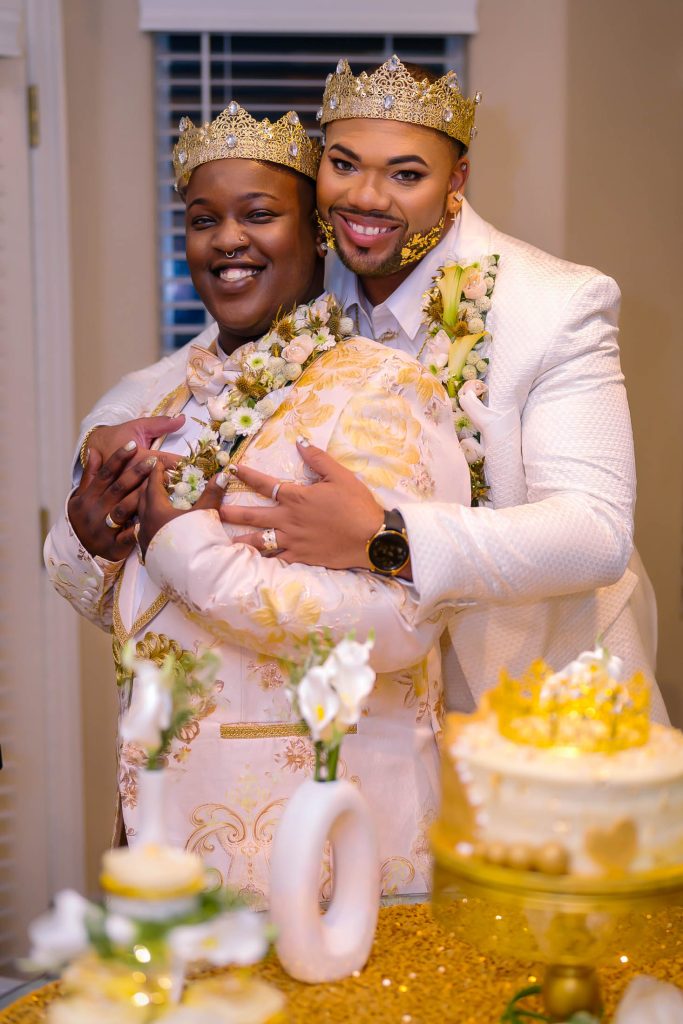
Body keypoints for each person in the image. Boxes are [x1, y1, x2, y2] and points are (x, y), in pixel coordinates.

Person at [76, 57, 667, 722]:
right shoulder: (315, 274)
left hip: (540, 685)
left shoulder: (553, 303)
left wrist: (385, 538)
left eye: (406, 174)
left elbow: (594, 531)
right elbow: (188, 364)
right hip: (372, 705)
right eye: (344, 164)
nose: (365, 198)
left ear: (456, 180)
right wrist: (104, 431)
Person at [44, 103, 471, 902]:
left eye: (259, 215)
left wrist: (186, 549)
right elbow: (127, 611)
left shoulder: (383, 389)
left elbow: (399, 625)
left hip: (325, 837)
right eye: (204, 220)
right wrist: (87, 542)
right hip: (161, 824)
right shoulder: (156, 399)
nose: (227, 240)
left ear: (316, 233)